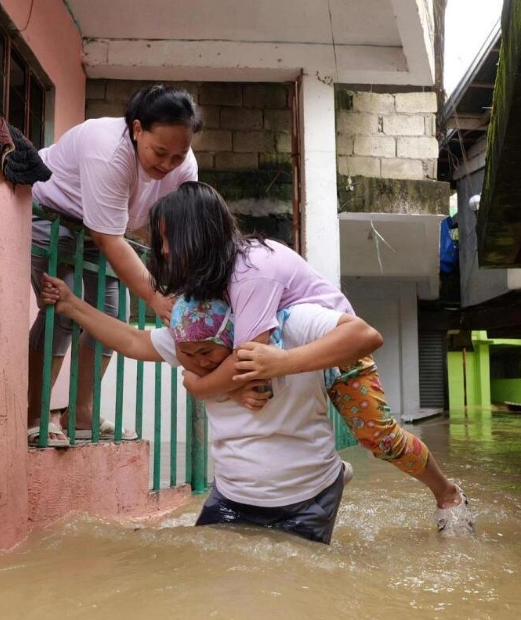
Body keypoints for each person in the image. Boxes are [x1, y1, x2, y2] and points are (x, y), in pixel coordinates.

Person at [146, 181, 475, 536]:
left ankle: (448, 493)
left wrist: (197, 385)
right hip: (282, 353)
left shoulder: (251, 267)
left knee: (380, 438)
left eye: (171, 239)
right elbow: (244, 367)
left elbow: (246, 361)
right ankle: (328, 477)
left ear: (199, 235)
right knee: (258, 404)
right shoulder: (214, 276)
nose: (164, 250)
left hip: (336, 351)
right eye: (161, 240)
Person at [41, 272, 384, 543]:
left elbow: (367, 336)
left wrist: (283, 362)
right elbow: (133, 340)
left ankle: (335, 476)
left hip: (307, 495)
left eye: (206, 354)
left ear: (234, 339)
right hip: (234, 496)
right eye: (186, 355)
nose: (196, 362)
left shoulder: (290, 323)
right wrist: (72, 304)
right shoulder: (192, 339)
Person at [28, 85, 202, 447]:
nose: (168, 164)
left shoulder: (184, 164)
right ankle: (36, 417)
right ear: (137, 129)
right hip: (52, 220)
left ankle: (80, 413)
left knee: (110, 313)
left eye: (178, 155)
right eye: (160, 152)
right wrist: (157, 299)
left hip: (102, 233)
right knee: (61, 309)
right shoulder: (106, 150)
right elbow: (109, 237)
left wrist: (184, 288)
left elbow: (179, 230)